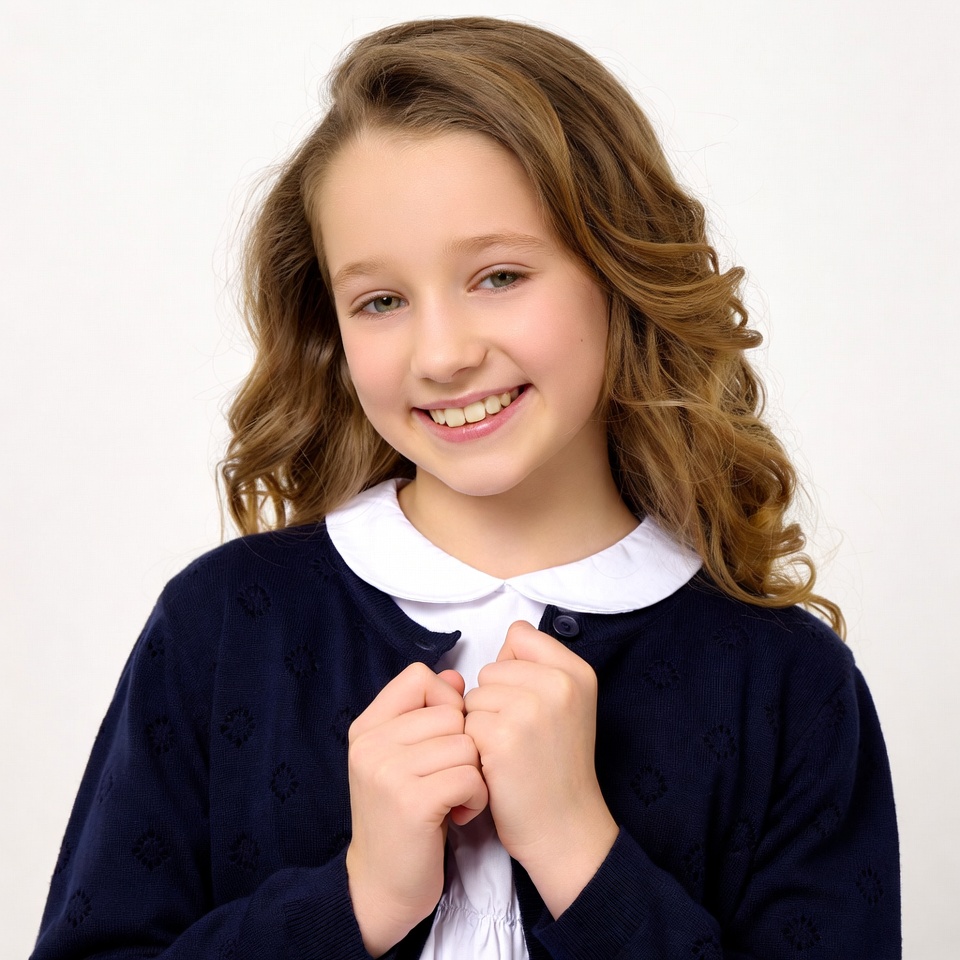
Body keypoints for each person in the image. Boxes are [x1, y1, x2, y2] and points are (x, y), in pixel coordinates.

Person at [32, 16, 900, 960]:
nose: (443, 354)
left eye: (498, 275)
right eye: (381, 301)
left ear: (620, 271)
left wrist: (581, 855)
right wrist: (359, 899)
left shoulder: (791, 682)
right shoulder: (224, 622)